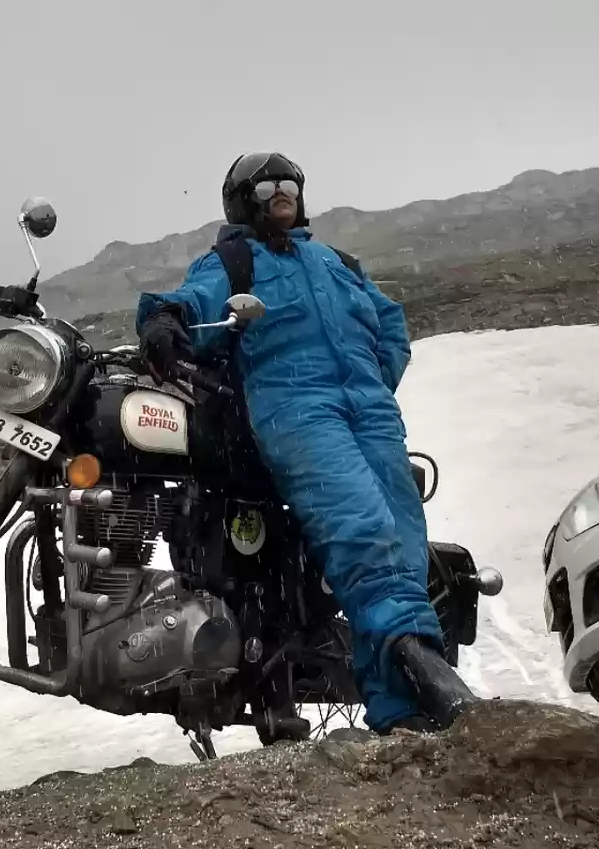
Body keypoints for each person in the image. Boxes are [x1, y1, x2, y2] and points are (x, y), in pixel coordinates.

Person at [136, 151, 475, 734]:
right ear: (244, 198)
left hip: (369, 411)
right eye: (268, 185)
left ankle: (400, 712)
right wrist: (164, 321)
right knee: (362, 530)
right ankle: (429, 676)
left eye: (291, 182)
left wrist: (374, 375)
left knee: (404, 538)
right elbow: (193, 303)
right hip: (296, 409)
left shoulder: (336, 261)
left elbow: (389, 321)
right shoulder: (234, 261)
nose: (283, 191)